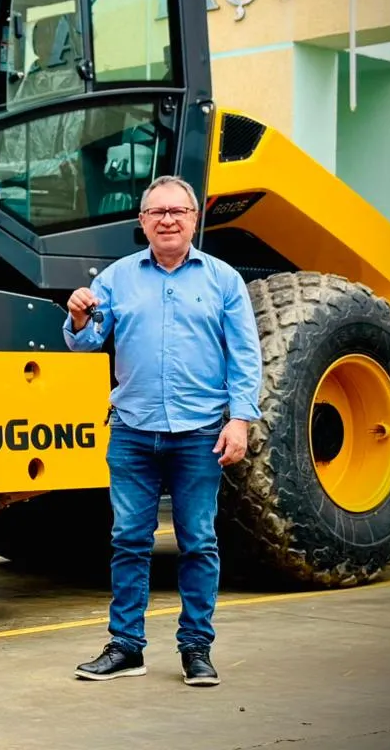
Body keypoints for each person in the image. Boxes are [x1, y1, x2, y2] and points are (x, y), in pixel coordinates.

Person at [62, 174, 262, 687]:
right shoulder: (115, 280)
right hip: (132, 431)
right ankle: (126, 647)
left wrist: (239, 420)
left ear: (194, 219)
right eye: (157, 212)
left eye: (178, 211)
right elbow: (86, 347)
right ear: (143, 222)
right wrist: (80, 318)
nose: (168, 220)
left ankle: (197, 649)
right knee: (129, 539)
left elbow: (245, 356)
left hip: (200, 433)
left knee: (198, 542)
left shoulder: (223, 281)